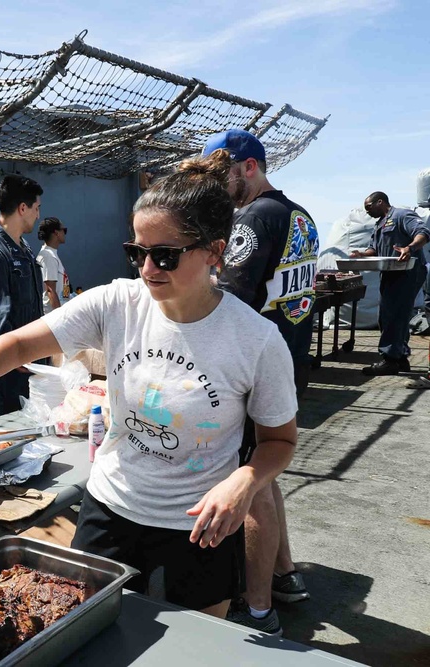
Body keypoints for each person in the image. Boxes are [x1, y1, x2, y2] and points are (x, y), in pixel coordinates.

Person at [0, 151, 298, 619]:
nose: (147, 269)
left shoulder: (256, 340)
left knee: (198, 643)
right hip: (111, 506)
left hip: (200, 521)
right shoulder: (117, 302)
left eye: (165, 255)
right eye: (137, 252)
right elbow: (21, 343)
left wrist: (245, 481)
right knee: (88, 625)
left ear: (214, 252)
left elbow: (279, 441)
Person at [202, 128, 318, 634]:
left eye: (221, 172)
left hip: (254, 371)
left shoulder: (253, 218)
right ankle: (286, 575)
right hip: (290, 361)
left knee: (248, 484)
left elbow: (227, 300)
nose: (218, 185)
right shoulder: (302, 216)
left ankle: (257, 607)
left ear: (247, 167)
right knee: (268, 473)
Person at [0, 174, 45, 416]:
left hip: (29, 363)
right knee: (13, 440)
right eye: (36, 208)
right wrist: (17, 359)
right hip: (11, 371)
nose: (38, 215)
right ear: (22, 208)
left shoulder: (22, 248)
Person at [349, 191, 429, 375]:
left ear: (380, 201)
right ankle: (399, 357)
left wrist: (409, 248)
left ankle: (389, 360)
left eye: (369, 207)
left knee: (393, 314)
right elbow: (374, 249)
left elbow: (423, 233)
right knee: (390, 314)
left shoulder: (401, 215)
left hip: (408, 272)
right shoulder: (379, 225)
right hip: (391, 273)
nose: (367, 211)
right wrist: (361, 254)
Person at [36, 216, 70, 314]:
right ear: (56, 232)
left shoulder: (52, 254)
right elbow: (50, 290)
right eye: (64, 230)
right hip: (52, 316)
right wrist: (59, 317)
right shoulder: (48, 256)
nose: (65, 233)